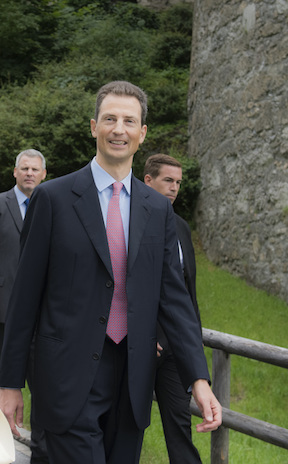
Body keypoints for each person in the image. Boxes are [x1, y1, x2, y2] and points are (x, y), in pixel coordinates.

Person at [0, 81, 222, 463]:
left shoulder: (158, 209)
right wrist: (10, 382)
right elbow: (25, 297)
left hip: (132, 379)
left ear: (142, 132)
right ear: (94, 126)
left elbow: (174, 298)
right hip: (66, 378)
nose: (119, 129)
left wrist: (198, 378)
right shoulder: (53, 199)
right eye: (110, 119)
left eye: (129, 121)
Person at [0, 148, 47, 462]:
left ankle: (38, 447)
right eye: (25, 168)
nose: (30, 173)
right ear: (15, 172)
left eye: (35, 169)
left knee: (42, 382)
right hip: (1, 311)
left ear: (44, 175)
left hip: (41, 315)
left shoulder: (50, 206)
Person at [143, 153, 202, 463]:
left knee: (180, 424)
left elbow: (186, 293)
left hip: (175, 348)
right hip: (138, 344)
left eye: (178, 182)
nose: (174, 188)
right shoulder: (127, 221)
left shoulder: (180, 227)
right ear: (148, 180)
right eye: (168, 180)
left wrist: (192, 343)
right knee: (128, 424)